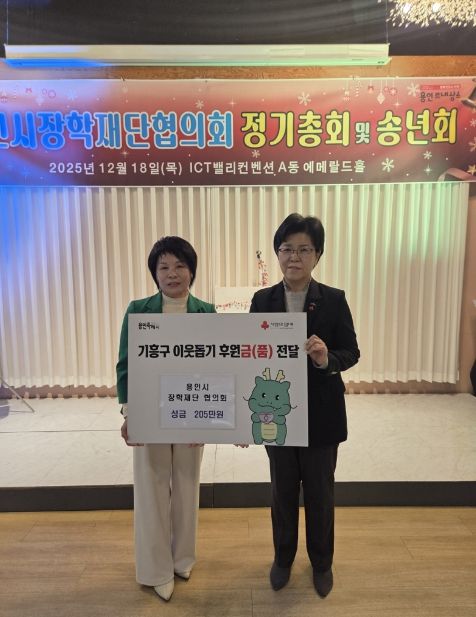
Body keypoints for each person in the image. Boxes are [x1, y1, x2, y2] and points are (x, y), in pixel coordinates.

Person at [250, 213, 359, 598]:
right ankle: (283, 558)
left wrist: (327, 359)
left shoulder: (334, 300)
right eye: (287, 249)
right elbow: (250, 356)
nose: (294, 257)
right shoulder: (262, 300)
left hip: (321, 415)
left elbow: (351, 352)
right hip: (276, 414)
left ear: (317, 255)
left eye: (304, 249)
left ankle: (322, 563)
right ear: (277, 253)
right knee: (281, 493)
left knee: (320, 495)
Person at [116, 236, 216, 602]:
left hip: (191, 411)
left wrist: (210, 419)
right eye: (164, 267)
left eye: (180, 266)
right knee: (151, 488)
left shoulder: (207, 312)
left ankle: (182, 559)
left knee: (188, 486)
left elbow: (218, 367)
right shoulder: (138, 310)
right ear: (154, 273)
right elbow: (125, 366)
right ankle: (155, 569)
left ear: (192, 271)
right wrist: (130, 413)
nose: (172, 274)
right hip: (150, 412)